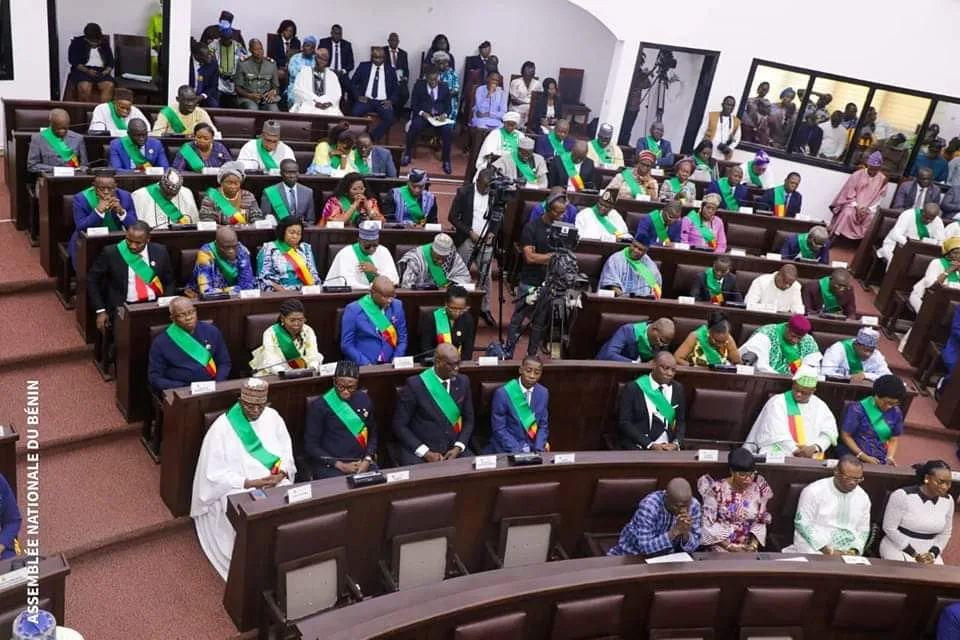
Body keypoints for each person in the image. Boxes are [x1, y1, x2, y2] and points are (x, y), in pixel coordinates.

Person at [192, 378, 295, 579]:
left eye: (260, 406)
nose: (255, 411)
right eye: (249, 406)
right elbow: (214, 476)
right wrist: (250, 483)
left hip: (274, 481)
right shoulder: (222, 427)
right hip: (238, 486)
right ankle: (247, 561)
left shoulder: (274, 417)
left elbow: (287, 454)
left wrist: (281, 474)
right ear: (240, 401)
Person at [88, 222, 176, 353]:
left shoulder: (160, 251)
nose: (132, 246)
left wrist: (168, 303)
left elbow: (169, 282)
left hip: (154, 306)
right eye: (129, 240)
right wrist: (100, 310)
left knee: (165, 341)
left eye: (138, 243)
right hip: (123, 308)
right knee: (129, 347)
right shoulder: (111, 252)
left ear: (148, 239)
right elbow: (92, 280)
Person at [392, 342, 474, 465]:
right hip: (421, 450)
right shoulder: (415, 385)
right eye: (450, 365)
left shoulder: (463, 382)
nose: (456, 368)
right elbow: (399, 425)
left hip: (453, 448)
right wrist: (425, 452)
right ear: (437, 362)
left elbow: (469, 421)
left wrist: (458, 447)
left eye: (458, 363)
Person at [507, 193, 565, 356]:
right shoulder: (531, 227)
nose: (562, 216)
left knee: (539, 323)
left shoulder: (563, 229)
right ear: (549, 210)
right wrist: (553, 257)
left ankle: (531, 355)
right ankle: (509, 351)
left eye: (563, 212)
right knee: (518, 319)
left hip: (550, 282)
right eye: (558, 212)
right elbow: (530, 257)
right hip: (530, 281)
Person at [782, 456, 871, 556]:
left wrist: (853, 551)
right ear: (836, 472)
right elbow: (802, 523)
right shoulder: (814, 491)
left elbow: (863, 530)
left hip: (848, 552)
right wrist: (828, 550)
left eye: (857, 479)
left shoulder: (863, 497)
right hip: (817, 548)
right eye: (848, 478)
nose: (852, 483)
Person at [304, 360, 379, 479]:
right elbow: (311, 446)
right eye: (341, 386)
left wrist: (368, 459)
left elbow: (372, 434)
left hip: (362, 462)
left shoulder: (364, 399)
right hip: (332, 465)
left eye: (351, 387)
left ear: (357, 383)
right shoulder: (319, 406)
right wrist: (340, 465)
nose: (345, 391)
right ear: (334, 381)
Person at [745, 366, 838, 460]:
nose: (798, 394)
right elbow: (776, 433)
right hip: (780, 453)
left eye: (804, 392)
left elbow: (830, 432)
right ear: (793, 384)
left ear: (813, 391)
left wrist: (815, 447)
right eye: (796, 389)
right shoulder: (778, 402)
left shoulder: (820, 406)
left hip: (811, 455)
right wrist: (796, 450)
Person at [147, 297, 230, 393]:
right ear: (173, 318)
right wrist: (184, 388)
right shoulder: (161, 342)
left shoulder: (212, 331)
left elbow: (224, 363)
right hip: (182, 393)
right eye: (182, 315)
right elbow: (155, 378)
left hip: (213, 388)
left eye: (191, 312)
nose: (188, 317)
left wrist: (217, 384)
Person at [697, 448, 772, 552]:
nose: (748, 479)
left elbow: (760, 521)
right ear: (732, 472)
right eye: (742, 474)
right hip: (720, 545)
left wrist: (753, 545)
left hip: (747, 546)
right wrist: (730, 547)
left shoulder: (757, 489)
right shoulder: (717, 490)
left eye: (752, 473)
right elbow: (707, 525)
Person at [881, 460, 954, 564]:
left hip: (929, 552)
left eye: (948, 483)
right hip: (897, 547)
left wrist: (933, 553)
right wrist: (913, 553)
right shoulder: (902, 495)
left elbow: (946, 533)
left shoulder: (948, 500)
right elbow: (889, 528)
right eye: (940, 482)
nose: (945, 487)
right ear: (927, 478)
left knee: (937, 576)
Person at [448, 167, 496, 325]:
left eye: (489, 187)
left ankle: (484, 308)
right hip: (467, 239)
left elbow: (497, 218)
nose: (486, 190)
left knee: (486, 276)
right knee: (459, 274)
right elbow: (452, 217)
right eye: (484, 187)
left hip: (486, 242)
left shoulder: (495, 194)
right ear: (477, 182)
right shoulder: (464, 192)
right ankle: (456, 305)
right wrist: (469, 232)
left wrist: (492, 232)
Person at [607, 477, 701, 557]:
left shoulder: (694, 505)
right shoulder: (650, 506)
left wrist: (685, 534)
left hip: (668, 559)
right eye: (679, 506)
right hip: (633, 555)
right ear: (666, 498)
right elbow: (644, 548)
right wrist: (675, 532)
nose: (684, 510)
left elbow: (695, 545)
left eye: (687, 505)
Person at [617, 352, 686, 450]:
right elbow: (625, 423)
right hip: (641, 446)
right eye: (665, 368)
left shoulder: (678, 388)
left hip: (669, 447)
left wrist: (676, 443)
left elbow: (680, 421)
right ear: (654, 365)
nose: (670, 373)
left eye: (673, 370)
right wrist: (650, 445)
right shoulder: (633, 388)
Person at [69, 172, 137, 267]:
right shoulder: (81, 198)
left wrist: (121, 212)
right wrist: (98, 211)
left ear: (115, 186)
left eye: (110, 188)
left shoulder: (125, 196)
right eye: (101, 188)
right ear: (94, 186)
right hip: (89, 242)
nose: (106, 192)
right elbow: (81, 227)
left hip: (116, 240)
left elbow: (135, 226)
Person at [835, 374, 905, 467]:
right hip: (852, 452)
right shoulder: (857, 409)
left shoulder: (896, 412)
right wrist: (863, 456)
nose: (889, 406)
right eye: (886, 402)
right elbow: (846, 436)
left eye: (893, 403)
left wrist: (890, 457)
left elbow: (894, 439)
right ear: (876, 395)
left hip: (878, 454)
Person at [485, 356, 549, 454]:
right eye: (528, 371)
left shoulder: (543, 393)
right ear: (520, 370)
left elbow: (543, 425)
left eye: (537, 373)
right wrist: (518, 451)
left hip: (533, 448)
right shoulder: (503, 393)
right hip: (507, 448)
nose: (532, 376)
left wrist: (539, 448)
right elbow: (499, 429)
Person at [340, 275, 408, 365]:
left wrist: (396, 359)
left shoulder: (397, 306)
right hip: (363, 364)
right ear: (373, 293)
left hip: (390, 364)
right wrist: (365, 363)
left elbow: (403, 338)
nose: (389, 301)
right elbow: (347, 345)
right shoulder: (353, 309)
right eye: (385, 297)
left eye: (392, 296)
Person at [250, 299, 323, 375]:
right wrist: (285, 373)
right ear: (282, 319)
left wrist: (312, 368)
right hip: (274, 374)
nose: (296, 324)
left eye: (300, 320)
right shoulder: (270, 333)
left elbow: (313, 355)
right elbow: (270, 360)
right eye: (292, 320)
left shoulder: (308, 330)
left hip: (302, 372)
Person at [828, 151, 889, 241]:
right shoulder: (857, 175)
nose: (872, 171)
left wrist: (867, 209)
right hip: (852, 204)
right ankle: (834, 237)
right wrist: (857, 207)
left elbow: (879, 198)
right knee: (847, 213)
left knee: (872, 218)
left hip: (868, 208)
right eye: (871, 168)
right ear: (868, 165)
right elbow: (849, 193)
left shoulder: (883, 179)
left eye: (875, 169)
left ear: (879, 168)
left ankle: (861, 245)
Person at [404, 68, 454, 174]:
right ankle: (407, 154)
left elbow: (449, 107)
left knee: (447, 130)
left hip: (438, 118)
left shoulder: (444, 87)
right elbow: (413, 105)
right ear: (426, 78)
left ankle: (446, 160)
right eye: (431, 80)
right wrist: (422, 113)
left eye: (435, 80)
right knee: (415, 125)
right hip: (424, 116)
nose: (433, 82)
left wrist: (444, 115)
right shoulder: (419, 86)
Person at [325, 220, 399, 289]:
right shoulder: (346, 253)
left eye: (375, 245)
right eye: (367, 246)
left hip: (378, 297)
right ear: (359, 241)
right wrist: (371, 289)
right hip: (351, 297)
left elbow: (394, 280)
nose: (372, 249)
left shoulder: (383, 251)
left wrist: (376, 272)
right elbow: (347, 283)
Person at [185, 226, 256, 297]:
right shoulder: (206, 253)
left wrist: (224, 291)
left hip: (233, 298)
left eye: (234, 246)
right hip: (200, 299)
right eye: (226, 247)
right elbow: (206, 292)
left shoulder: (242, 251)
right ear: (217, 244)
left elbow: (248, 286)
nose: (231, 251)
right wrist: (233, 290)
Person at [739, 315, 821, 374]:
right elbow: (759, 366)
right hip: (769, 381)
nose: (795, 340)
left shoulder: (807, 340)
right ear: (787, 327)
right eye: (793, 336)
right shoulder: (767, 334)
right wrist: (782, 378)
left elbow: (813, 368)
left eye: (799, 338)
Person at [256, 216, 320, 291]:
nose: (295, 236)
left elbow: (314, 275)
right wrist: (282, 291)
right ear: (283, 231)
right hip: (278, 292)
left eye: (298, 233)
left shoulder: (305, 248)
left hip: (303, 291)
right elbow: (263, 278)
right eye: (291, 232)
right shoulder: (269, 248)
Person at [351, 47, 398, 143]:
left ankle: (372, 137)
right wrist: (358, 96)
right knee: (354, 113)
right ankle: (355, 137)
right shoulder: (364, 66)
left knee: (390, 118)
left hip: (383, 102)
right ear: (372, 57)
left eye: (380, 58)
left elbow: (396, 89)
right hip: (366, 100)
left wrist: (391, 100)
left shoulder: (391, 70)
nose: (377, 60)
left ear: (384, 58)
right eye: (375, 58)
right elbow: (353, 83)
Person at [419, 285, 475, 360]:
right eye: (453, 308)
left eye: (461, 309)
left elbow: (468, 349)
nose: (457, 312)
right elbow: (426, 348)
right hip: (437, 362)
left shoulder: (468, 319)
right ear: (446, 304)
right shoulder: (432, 318)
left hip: (458, 363)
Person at [879, 202, 944, 264]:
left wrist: (923, 242)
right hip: (895, 245)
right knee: (898, 261)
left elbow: (940, 242)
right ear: (922, 212)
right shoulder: (908, 214)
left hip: (920, 251)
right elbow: (895, 235)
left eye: (931, 219)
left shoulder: (938, 221)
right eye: (926, 218)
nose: (928, 221)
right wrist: (913, 245)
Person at [198, 162, 263, 224]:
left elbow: (257, 218)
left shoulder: (248, 196)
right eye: (229, 183)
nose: (233, 186)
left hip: (246, 232)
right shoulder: (212, 197)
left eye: (236, 183)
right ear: (221, 183)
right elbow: (207, 222)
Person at [398, 233, 471, 288]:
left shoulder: (453, 256)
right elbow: (406, 285)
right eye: (437, 258)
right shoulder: (416, 258)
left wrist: (452, 286)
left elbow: (465, 278)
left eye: (443, 258)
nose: (440, 262)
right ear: (432, 249)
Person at [131, 168, 198, 227]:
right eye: (167, 193)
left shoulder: (186, 193)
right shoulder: (140, 195)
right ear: (160, 185)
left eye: (173, 194)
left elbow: (194, 221)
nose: (170, 196)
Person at [26, 109, 88, 173]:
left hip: (72, 180)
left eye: (65, 128)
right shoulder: (37, 138)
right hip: (49, 179)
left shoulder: (78, 138)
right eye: (58, 128)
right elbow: (32, 166)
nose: (62, 131)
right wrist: (57, 170)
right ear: (50, 123)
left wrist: (81, 170)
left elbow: (84, 166)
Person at [821, 327, 891, 383]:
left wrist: (866, 375)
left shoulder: (876, 355)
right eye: (865, 350)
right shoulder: (838, 349)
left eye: (871, 351)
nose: (868, 354)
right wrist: (851, 377)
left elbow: (888, 377)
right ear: (855, 345)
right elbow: (826, 372)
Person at [910, 236, 960, 313]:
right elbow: (932, 286)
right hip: (923, 297)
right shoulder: (936, 263)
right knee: (928, 315)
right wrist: (950, 270)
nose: (959, 256)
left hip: (948, 302)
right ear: (947, 254)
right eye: (955, 253)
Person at [674, 312, 742, 367]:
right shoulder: (695, 336)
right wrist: (693, 367)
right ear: (709, 332)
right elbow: (677, 358)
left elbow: (738, 363)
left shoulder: (728, 339)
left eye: (724, 342)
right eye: (717, 341)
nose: (721, 345)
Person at [258, 159, 316, 224]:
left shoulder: (308, 192)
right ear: (281, 173)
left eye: (295, 172)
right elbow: (265, 220)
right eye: (288, 172)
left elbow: (310, 220)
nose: (292, 176)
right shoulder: (270, 192)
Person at [69, 23, 115, 103]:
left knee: (109, 85)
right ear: (86, 38)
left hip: (101, 71)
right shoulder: (77, 42)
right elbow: (73, 61)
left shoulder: (104, 42)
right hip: (83, 70)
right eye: (92, 41)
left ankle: (102, 112)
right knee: (85, 87)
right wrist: (87, 71)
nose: (95, 43)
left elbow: (111, 61)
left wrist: (106, 71)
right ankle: (87, 112)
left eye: (97, 41)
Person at [290, 47, 341, 116]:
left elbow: (337, 94)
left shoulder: (332, 75)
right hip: (308, 103)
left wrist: (329, 103)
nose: (322, 62)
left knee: (333, 114)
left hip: (327, 106)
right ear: (315, 58)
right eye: (320, 58)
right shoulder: (304, 72)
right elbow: (298, 90)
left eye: (325, 60)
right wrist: (314, 102)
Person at [320, 172, 385, 226]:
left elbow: (381, 222)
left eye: (361, 189)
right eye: (354, 189)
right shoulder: (334, 202)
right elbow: (336, 224)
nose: (359, 192)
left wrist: (367, 208)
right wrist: (354, 206)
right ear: (346, 191)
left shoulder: (371, 202)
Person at [597, 318, 675, 363]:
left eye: (665, 344)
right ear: (654, 330)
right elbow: (608, 355)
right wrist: (635, 364)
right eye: (661, 340)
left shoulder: (663, 343)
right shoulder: (628, 331)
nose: (661, 345)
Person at [235, 39, 280, 111]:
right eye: (256, 49)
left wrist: (273, 92)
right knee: (253, 108)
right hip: (248, 98)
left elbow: (276, 87)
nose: (260, 52)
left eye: (261, 49)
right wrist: (249, 96)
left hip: (266, 98)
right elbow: (237, 88)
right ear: (250, 50)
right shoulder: (243, 63)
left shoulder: (271, 64)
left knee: (274, 109)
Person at [209, 21, 247, 105]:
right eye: (225, 38)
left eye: (229, 38)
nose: (228, 41)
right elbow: (208, 61)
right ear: (221, 37)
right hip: (218, 78)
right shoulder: (213, 45)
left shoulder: (237, 46)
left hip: (233, 79)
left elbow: (245, 59)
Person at [695, 96, 741, 161]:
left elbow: (737, 138)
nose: (729, 107)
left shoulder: (736, 121)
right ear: (722, 104)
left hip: (723, 154)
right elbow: (701, 132)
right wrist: (696, 148)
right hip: (708, 149)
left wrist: (729, 147)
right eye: (728, 104)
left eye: (732, 106)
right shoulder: (711, 115)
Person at [285, 35, 317, 105]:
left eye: (312, 47)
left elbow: (317, 75)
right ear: (303, 46)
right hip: (296, 86)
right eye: (307, 46)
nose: (310, 48)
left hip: (311, 88)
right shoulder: (295, 58)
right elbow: (293, 73)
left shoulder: (316, 60)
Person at [189, 42, 220, 108]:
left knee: (214, 104)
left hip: (205, 94)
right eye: (207, 55)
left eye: (209, 53)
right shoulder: (187, 63)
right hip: (189, 94)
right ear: (197, 56)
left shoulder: (213, 64)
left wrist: (202, 96)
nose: (210, 56)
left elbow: (213, 86)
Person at [430, 52, 459, 121]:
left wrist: (444, 95)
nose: (441, 66)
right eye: (439, 63)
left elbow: (456, 90)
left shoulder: (452, 74)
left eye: (444, 63)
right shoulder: (431, 73)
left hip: (448, 100)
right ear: (435, 63)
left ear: (447, 63)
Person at [385, 33, 410, 108]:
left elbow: (406, 69)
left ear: (398, 42)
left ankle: (396, 110)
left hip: (399, 79)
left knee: (405, 94)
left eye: (395, 41)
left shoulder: (403, 53)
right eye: (392, 40)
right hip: (386, 78)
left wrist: (405, 77)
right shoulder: (383, 51)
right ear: (388, 41)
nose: (393, 42)